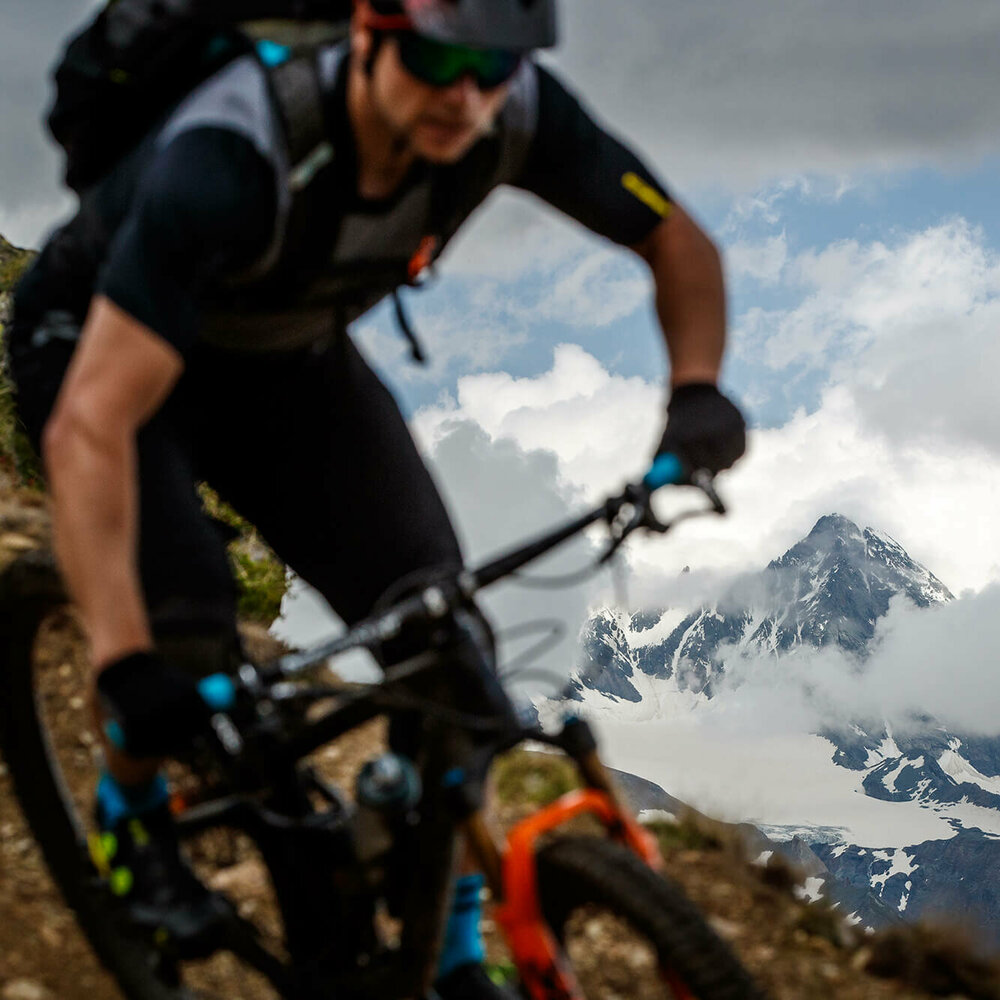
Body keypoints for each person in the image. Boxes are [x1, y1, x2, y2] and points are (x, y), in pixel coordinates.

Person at [8, 0, 746, 994]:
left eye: (492, 66)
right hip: (107, 356)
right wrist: (126, 664)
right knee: (177, 654)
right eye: (436, 57)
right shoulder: (233, 155)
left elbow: (675, 241)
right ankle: (131, 818)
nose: (463, 92)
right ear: (369, 32)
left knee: (449, 660)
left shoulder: (515, 111)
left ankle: (444, 950)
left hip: (282, 362)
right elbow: (90, 427)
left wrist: (695, 391)